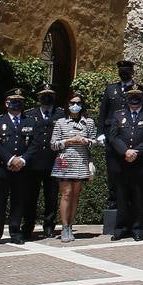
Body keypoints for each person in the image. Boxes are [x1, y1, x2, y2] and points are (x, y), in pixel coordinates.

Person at [108, 86, 143, 241]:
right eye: (131, 96)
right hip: (122, 162)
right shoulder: (118, 115)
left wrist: (136, 151)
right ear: (126, 98)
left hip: (141, 162)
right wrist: (125, 151)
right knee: (122, 196)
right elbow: (113, 136)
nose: (134, 99)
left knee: (139, 197)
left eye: (137, 96)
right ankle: (121, 228)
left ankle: (139, 229)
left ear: (142, 98)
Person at [50, 93, 98, 243]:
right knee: (66, 193)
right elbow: (53, 144)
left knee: (76, 194)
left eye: (78, 102)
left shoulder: (88, 122)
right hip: (65, 161)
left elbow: (95, 141)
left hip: (81, 160)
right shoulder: (61, 122)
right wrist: (69, 140)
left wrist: (85, 140)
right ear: (67, 105)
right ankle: (64, 226)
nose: (75, 105)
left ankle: (71, 225)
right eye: (72, 102)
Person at [0, 91, 32, 246]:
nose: (17, 104)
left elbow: (34, 144)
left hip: (22, 169)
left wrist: (22, 160)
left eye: (20, 101)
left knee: (18, 202)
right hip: (1, 168)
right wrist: (11, 159)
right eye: (13, 101)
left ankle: (15, 232)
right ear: (6, 103)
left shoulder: (29, 121)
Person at [22, 87, 63, 240]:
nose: (47, 98)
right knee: (30, 196)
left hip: (53, 161)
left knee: (51, 197)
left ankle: (49, 226)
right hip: (33, 162)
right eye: (44, 96)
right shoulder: (30, 114)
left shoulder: (60, 114)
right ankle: (28, 226)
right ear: (39, 97)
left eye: (50, 95)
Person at [98, 60, 137, 207]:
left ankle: (130, 200)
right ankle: (113, 200)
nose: (124, 73)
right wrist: (100, 132)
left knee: (131, 169)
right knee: (113, 169)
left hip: (130, 133)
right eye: (121, 70)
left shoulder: (138, 89)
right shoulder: (111, 89)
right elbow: (103, 112)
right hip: (111, 134)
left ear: (132, 72)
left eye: (127, 70)